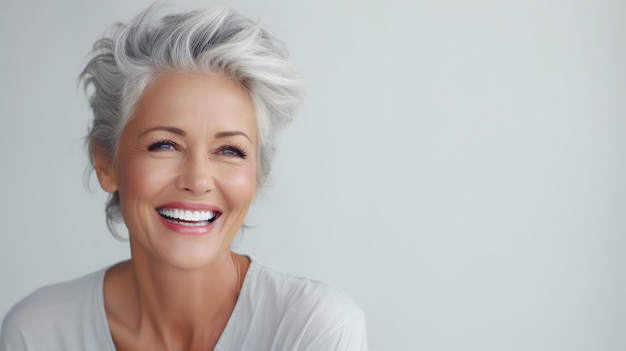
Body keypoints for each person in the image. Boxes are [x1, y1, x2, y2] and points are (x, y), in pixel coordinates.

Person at [0, 4, 367, 351]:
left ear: (256, 175)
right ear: (105, 164)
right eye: (165, 145)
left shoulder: (314, 328)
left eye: (229, 151)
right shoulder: (38, 332)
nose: (198, 179)